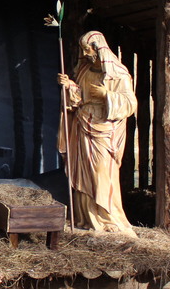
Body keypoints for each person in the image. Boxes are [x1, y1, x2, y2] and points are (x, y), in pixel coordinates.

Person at [58, 31, 137, 235]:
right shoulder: (84, 70)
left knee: (102, 171)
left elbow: (130, 103)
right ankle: (87, 218)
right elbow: (78, 100)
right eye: (83, 50)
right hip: (83, 124)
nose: (86, 53)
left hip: (104, 129)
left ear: (99, 48)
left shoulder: (117, 73)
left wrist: (106, 95)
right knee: (83, 172)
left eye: (88, 49)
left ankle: (109, 218)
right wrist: (69, 86)